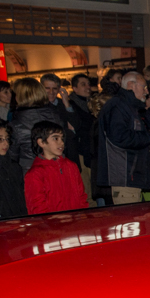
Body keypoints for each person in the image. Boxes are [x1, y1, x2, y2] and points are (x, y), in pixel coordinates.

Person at [96, 71, 150, 204]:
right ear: (131, 85)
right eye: (144, 87)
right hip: (124, 177)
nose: (146, 91)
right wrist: (148, 136)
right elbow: (120, 137)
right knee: (129, 222)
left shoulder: (127, 106)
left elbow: (131, 138)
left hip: (130, 176)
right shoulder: (118, 106)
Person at [24, 120, 88, 214]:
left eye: (62, 138)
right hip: (54, 226)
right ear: (41, 142)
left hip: (75, 223)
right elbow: (37, 208)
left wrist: (82, 217)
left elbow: (82, 197)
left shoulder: (71, 166)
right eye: (55, 138)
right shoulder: (35, 173)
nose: (61, 143)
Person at [8, 78, 65, 174]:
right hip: (56, 169)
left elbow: (12, 156)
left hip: (29, 172)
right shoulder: (55, 115)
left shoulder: (17, 123)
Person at [41, 73, 81, 168]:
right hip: (51, 157)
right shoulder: (38, 107)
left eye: (54, 88)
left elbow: (77, 125)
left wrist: (66, 103)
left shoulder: (64, 104)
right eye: (47, 88)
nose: (51, 92)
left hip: (69, 154)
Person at [69, 73, 96, 205]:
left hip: (91, 150)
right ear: (74, 88)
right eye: (83, 84)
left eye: (88, 84)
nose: (87, 87)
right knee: (86, 189)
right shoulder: (71, 105)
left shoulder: (92, 104)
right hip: (80, 151)